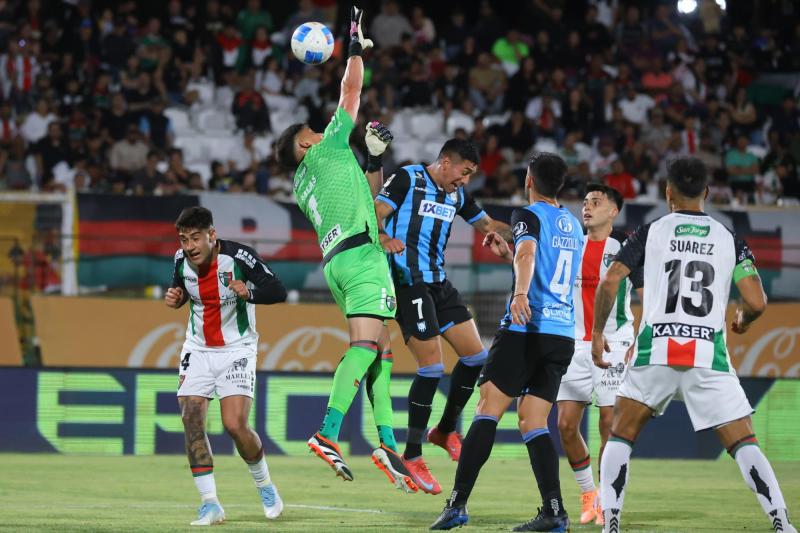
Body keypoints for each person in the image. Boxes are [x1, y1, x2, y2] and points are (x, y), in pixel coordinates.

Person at [591, 157, 797, 533]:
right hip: (708, 356)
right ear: (706, 192)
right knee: (744, 442)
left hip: (656, 350)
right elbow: (757, 301)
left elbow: (610, 281)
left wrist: (598, 334)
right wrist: (743, 320)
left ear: (668, 192)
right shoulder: (729, 239)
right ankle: (782, 523)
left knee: (620, 433)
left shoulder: (649, 233)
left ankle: (612, 524)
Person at [274, 6, 416, 492]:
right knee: (365, 346)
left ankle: (387, 443)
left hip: (341, 263)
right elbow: (351, 92)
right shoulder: (329, 148)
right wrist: (354, 44)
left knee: (382, 348)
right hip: (362, 260)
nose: (320, 131)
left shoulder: (303, 183)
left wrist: (374, 160)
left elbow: (370, 209)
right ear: (306, 147)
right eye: (310, 134)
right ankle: (328, 432)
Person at [431, 153, 583, 531]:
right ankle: (554, 512)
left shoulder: (527, 215)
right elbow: (543, 265)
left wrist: (519, 293)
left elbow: (529, 254)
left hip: (526, 329)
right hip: (562, 334)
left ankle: (457, 504)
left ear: (529, 179)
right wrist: (510, 256)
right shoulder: (572, 223)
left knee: (487, 409)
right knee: (533, 421)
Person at [374, 138, 512, 495]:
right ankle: (412, 454)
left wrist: (524, 234)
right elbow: (374, 212)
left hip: (438, 283)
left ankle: (445, 430)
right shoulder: (408, 178)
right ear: (446, 162)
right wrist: (383, 238)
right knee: (432, 368)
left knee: (476, 357)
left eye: (470, 176)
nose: (465, 180)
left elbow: (488, 224)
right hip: (408, 282)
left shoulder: (457, 195)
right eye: (464, 172)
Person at [165, 206, 288, 526]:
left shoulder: (239, 257)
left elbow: (278, 290)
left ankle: (265, 486)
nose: (189, 246)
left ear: (212, 235)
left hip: (237, 349)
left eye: (195, 238)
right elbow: (182, 290)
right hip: (197, 348)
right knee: (191, 421)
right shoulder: (180, 260)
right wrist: (176, 298)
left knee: (234, 425)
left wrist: (250, 292)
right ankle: (210, 504)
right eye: (183, 239)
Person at [554, 184, 641, 526]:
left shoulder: (627, 248)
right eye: (585, 202)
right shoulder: (571, 244)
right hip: (574, 341)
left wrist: (639, 337)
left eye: (596, 202)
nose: (587, 207)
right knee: (565, 425)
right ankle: (589, 493)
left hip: (614, 342)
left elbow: (648, 292)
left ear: (614, 211)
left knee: (609, 423)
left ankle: (607, 498)